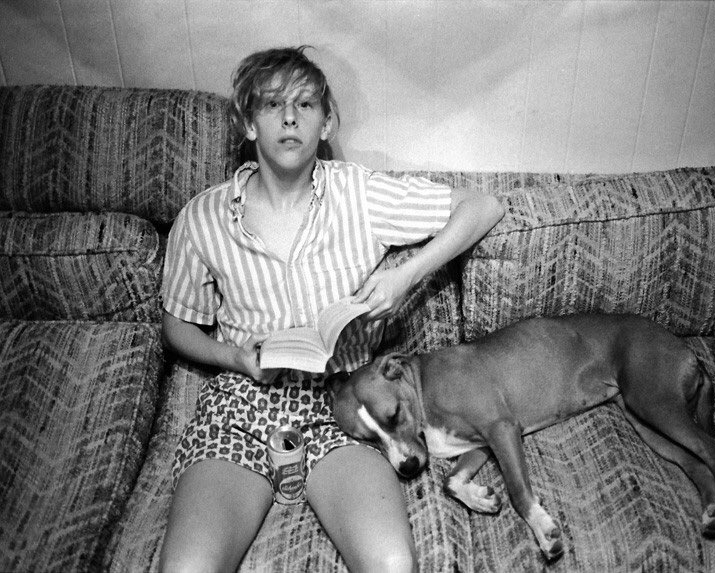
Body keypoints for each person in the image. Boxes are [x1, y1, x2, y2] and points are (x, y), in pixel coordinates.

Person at [158, 46, 504, 573]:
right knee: (187, 569)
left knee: (392, 565)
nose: (289, 117)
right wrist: (235, 357)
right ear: (249, 124)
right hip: (242, 404)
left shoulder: (359, 194)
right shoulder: (202, 217)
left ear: (326, 123)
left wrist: (405, 275)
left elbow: (483, 206)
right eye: (272, 104)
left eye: (304, 104)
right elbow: (176, 325)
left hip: (344, 409)